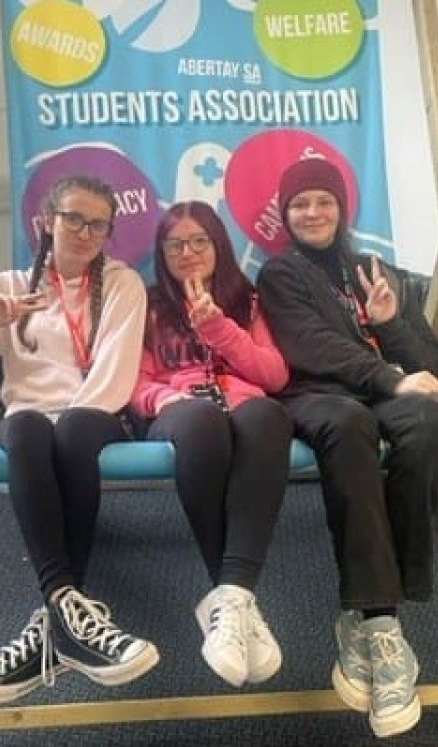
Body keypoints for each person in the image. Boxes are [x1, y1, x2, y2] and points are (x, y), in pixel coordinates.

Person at [0, 174, 158, 704]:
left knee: (62, 429)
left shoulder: (120, 283)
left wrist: (69, 415)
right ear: (46, 222)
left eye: (99, 225)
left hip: (96, 415)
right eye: (74, 219)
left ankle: (55, 617)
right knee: (21, 425)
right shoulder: (10, 285)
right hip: (32, 423)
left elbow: (114, 375)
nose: (87, 233)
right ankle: (68, 610)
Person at [256, 158, 438, 737]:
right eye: (300, 204)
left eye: (323, 200)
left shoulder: (377, 270)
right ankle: (382, 618)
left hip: (385, 395)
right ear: (286, 215)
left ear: (342, 208)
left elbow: (430, 366)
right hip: (319, 396)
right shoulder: (281, 275)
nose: (313, 212)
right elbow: (310, 347)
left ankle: (367, 616)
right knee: (348, 423)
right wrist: (389, 376)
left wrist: (391, 324)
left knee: (434, 423)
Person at [130, 200, 292, 688]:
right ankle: (235, 597)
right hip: (178, 414)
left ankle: (230, 595)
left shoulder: (248, 301)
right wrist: (165, 397)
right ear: (162, 252)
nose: (188, 252)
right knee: (202, 422)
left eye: (199, 240)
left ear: (218, 245)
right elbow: (133, 385)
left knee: (267, 413)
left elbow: (275, 376)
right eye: (175, 244)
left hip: (241, 407)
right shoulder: (149, 306)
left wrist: (219, 327)